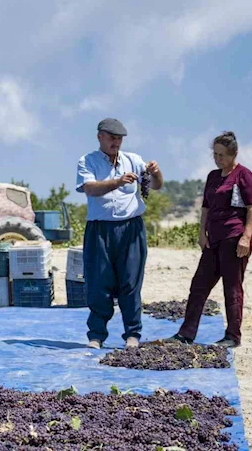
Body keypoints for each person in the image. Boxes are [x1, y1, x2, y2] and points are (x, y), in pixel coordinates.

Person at [76, 118, 164, 349]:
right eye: (112, 137)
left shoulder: (133, 160)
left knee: (131, 281)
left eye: (119, 138)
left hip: (131, 228)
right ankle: (96, 335)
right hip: (100, 229)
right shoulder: (88, 161)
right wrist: (117, 182)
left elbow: (156, 186)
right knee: (98, 282)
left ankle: (132, 334)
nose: (116, 142)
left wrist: (156, 172)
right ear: (100, 137)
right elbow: (90, 188)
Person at [168, 132, 252, 348]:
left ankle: (232, 336)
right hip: (213, 239)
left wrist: (246, 237)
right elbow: (206, 207)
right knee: (198, 285)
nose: (218, 159)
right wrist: (202, 232)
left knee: (232, 287)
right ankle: (186, 333)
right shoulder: (212, 176)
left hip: (234, 237)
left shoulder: (244, 175)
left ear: (233, 153)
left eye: (222, 155)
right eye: (215, 155)